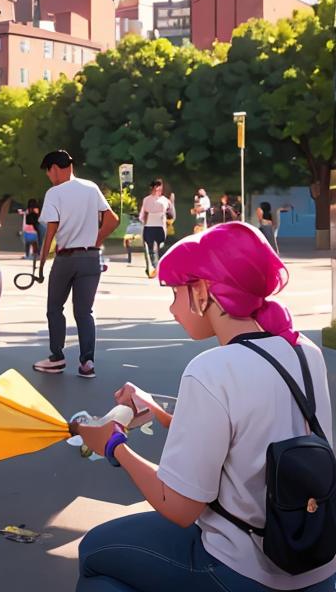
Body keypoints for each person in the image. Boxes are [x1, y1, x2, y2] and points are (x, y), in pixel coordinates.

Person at [74, 222, 336, 591]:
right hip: (315, 559)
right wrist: (162, 413)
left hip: (246, 569)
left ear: (202, 291)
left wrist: (114, 446)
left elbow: (179, 507)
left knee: (93, 553)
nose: (171, 307)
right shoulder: (304, 351)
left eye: (175, 293)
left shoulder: (210, 369)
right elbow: (256, 429)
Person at [33, 150, 120, 379]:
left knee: (55, 308)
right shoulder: (91, 187)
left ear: (54, 168)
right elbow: (112, 220)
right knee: (84, 312)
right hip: (91, 258)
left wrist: (40, 264)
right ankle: (87, 362)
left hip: (66, 259)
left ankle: (57, 357)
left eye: (48, 172)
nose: (49, 177)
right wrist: (96, 241)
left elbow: (51, 230)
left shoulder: (54, 193)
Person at [138, 179, 174, 278]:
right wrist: (143, 221)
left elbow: (171, 214)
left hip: (160, 227)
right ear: (152, 188)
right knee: (151, 249)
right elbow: (142, 213)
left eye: (159, 188)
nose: (157, 190)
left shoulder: (165, 200)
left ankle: (161, 267)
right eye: (155, 187)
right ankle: (153, 268)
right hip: (149, 227)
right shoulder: (146, 199)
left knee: (161, 248)